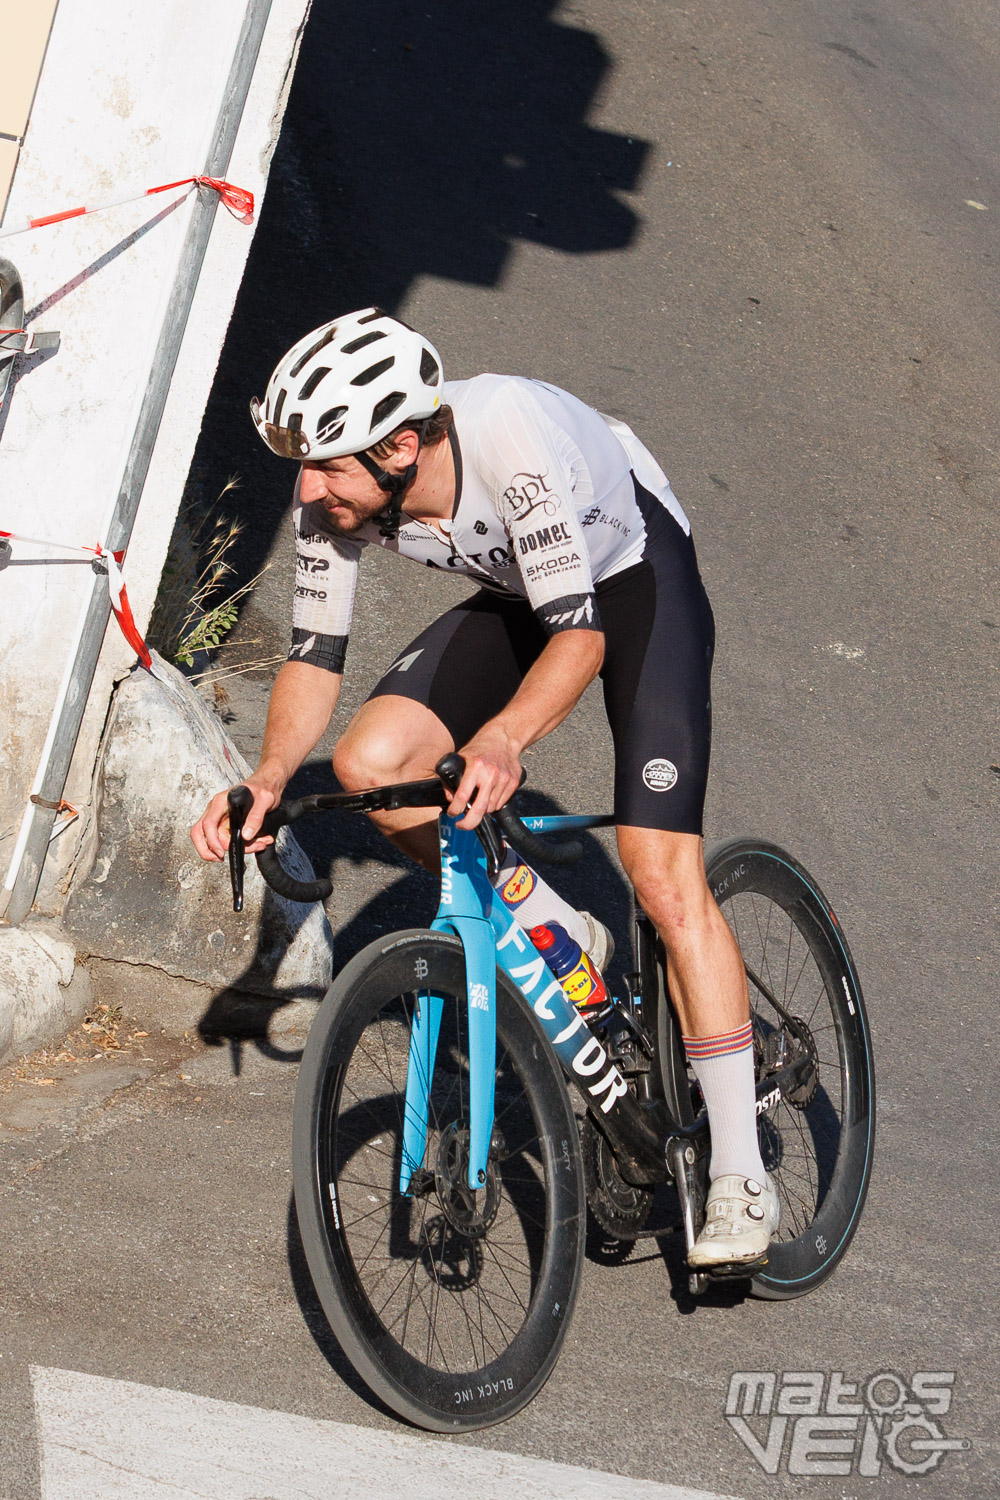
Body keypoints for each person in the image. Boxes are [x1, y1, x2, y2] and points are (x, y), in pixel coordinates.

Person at [190, 308, 779, 1270]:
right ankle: (550, 920)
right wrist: (260, 778)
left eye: (330, 466)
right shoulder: (339, 493)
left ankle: (741, 1173)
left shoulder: (509, 438)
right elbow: (312, 655)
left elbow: (581, 637)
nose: (308, 489)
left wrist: (503, 739)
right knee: (370, 765)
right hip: (526, 594)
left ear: (402, 447)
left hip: (632, 582)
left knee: (662, 876)